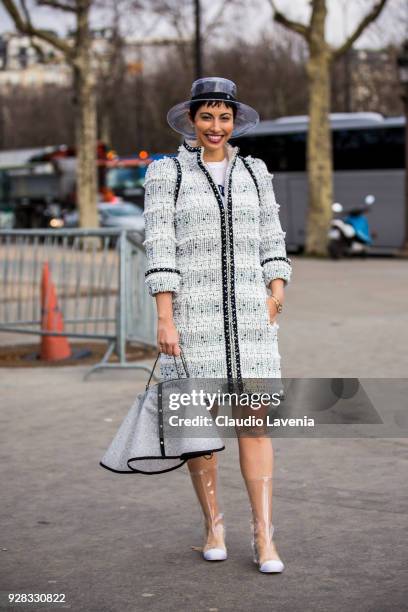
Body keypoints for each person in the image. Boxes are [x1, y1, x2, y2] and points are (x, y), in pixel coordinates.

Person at [142, 77, 292, 573]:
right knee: (200, 429)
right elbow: (160, 247)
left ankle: (264, 537)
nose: (215, 126)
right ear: (191, 120)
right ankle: (213, 525)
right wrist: (165, 317)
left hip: (252, 320)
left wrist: (275, 293)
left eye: (223, 117)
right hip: (194, 317)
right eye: (206, 116)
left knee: (256, 423)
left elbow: (272, 236)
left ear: (234, 121)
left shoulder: (255, 170)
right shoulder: (167, 175)